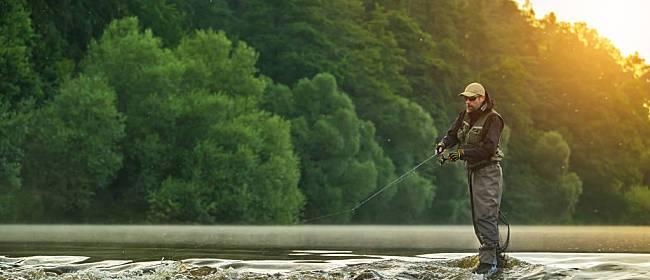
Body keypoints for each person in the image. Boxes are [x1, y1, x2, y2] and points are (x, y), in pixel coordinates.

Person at [436, 82, 505, 276]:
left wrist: (458, 154)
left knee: (486, 216)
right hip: (473, 171)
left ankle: (488, 264)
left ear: (482, 98)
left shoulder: (494, 119)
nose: (468, 101)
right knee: (478, 218)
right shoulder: (464, 115)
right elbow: (453, 134)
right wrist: (443, 145)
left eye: (472, 98)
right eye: (466, 98)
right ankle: (495, 260)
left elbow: (488, 149)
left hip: (488, 171)